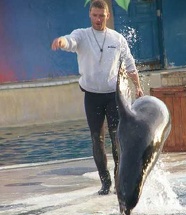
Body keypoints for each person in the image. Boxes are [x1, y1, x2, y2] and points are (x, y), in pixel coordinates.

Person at [51, 0, 143, 195]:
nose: (98, 19)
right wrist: (62, 41)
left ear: (107, 16)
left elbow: (129, 63)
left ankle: (120, 179)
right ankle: (105, 182)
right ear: (90, 15)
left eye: (102, 16)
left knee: (117, 139)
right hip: (92, 97)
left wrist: (138, 87)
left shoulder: (117, 39)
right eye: (95, 15)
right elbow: (70, 41)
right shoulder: (82, 35)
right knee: (96, 140)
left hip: (113, 96)